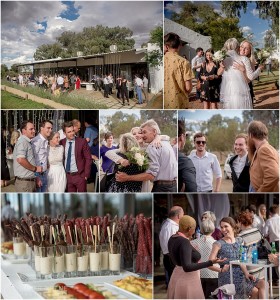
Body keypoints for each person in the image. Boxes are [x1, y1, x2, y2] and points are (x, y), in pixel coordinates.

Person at [167, 215, 226, 299]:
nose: (195, 231)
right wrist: (210, 262)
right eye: (194, 229)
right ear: (189, 229)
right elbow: (187, 267)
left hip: (176, 275)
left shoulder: (172, 238)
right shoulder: (184, 242)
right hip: (188, 280)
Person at [209, 217, 266, 299]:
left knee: (264, 283)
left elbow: (241, 260)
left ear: (232, 226)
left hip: (241, 275)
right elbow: (209, 264)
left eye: (226, 226)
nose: (223, 229)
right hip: (227, 277)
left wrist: (247, 273)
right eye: (221, 227)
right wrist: (221, 270)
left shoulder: (240, 240)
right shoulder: (218, 244)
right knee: (255, 291)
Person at [115, 119, 177, 192]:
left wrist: (127, 177)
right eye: (141, 133)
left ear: (154, 131)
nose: (142, 135)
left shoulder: (152, 147)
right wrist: (158, 137)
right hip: (173, 186)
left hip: (161, 188)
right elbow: (166, 137)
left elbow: (150, 175)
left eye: (144, 132)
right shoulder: (166, 142)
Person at [219, 38, 256, 109]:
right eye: (241, 47)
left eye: (246, 48)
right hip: (231, 89)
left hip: (239, 88)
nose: (242, 49)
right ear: (238, 47)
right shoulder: (225, 60)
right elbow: (219, 73)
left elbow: (249, 80)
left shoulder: (244, 59)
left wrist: (243, 70)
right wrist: (221, 67)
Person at [60, 121, 92, 192]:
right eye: (69, 132)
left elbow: (88, 158)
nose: (72, 133)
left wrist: (86, 175)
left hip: (80, 176)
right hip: (67, 176)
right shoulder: (61, 142)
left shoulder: (82, 142)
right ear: (64, 133)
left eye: (73, 131)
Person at [247, 120, 279, 192]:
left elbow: (274, 175)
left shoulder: (264, 149)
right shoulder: (261, 148)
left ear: (251, 135)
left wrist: (260, 192)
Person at [164, 33, 193, 109]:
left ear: (166, 46)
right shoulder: (184, 62)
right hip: (180, 103)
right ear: (179, 45)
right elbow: (188, 88)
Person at [191, 220, 219, 299]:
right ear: (213, 230)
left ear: (201, 230)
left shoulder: (193, 243)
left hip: (199, 273)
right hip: (214, 273)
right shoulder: (217, 243)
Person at [13, 120, 42, 192]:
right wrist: (35, 169)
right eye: (31, 129)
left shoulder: (27, 142)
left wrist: (36, 177)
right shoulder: (22, 141)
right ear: (24, 131)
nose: (34, 131)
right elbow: (20, 159)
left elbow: (30, 160)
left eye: (34, 129)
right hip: (25, 183)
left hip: (29, 182)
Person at [159, 206, 184, 286]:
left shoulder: (167, 224)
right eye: (183, 214)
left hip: (169, 257)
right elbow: (174, 246)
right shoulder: (171, 227)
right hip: (172, 259)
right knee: (175, 284)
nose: (183, 216)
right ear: (179, 216)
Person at [237, 211, 263, 279]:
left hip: (249, 269)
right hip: (261, 265)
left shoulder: (240, 236)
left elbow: (241, 258)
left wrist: (246, 273)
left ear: (240, 222)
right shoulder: (257, 231)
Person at [31, 119, 53, 192]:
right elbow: (32, 159)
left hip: (45, 173)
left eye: (51, 128)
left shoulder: (46, 141)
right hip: (38, 175)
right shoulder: (36, 141)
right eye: (48, 128)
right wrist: (36, 177)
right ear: (41, 128)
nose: (50, 130)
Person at [177, 120, 197, 192]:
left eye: (203, 142)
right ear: (182, 137)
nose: (201, 144)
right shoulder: (186, 161)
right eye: (198, 142)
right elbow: (192, 190)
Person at [263, 204, 279, 286]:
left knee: (274, 260)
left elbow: (264, 233)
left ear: (270, 212)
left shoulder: (269, 221)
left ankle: (276, 279)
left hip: (273, 243)